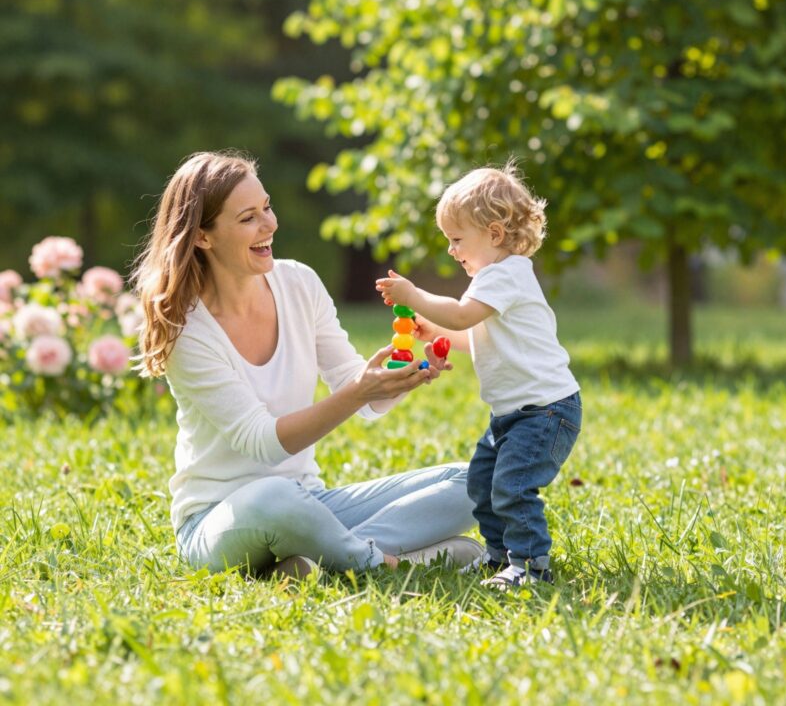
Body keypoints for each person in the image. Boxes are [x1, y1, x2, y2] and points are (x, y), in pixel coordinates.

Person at [132, 150, 482, 580]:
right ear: (203, 237)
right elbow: (263, 443)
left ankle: (319, 558)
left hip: (310, 503)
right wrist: (359, 391)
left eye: (267, 207)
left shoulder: (298, 283)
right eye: (247, 219)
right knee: (275, 498)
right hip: (220, 520)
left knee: (475, 482)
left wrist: (399, 378)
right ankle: (386, 563)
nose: (270, 224)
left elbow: (363, 398)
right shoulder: (187, 329)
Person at [375, 162, 582, 587]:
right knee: (483, 485)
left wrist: (415, 296)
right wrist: (437, 331)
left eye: (456, 240)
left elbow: (464, 313)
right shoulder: (493, 278)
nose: (452, 251)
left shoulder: (506, 275)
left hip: (544, 412)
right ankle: (498, 556)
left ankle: (529, 566)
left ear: (494, 233)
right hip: (512, 414)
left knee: (512, 487)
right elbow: (477, 332)